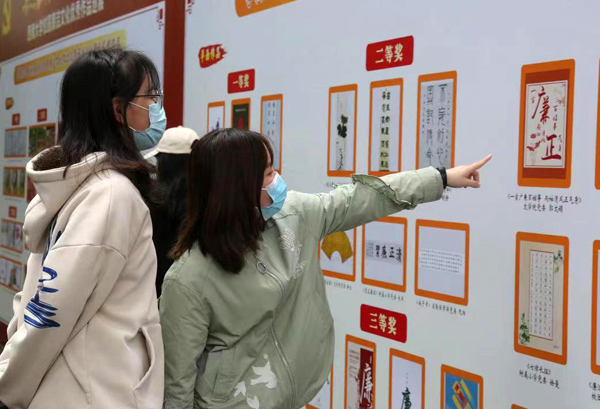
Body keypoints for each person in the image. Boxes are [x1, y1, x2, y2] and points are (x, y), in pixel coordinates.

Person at [160, 128, 491, 409]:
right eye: (268, 174)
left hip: (292, 397)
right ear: (237, 189)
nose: (277, 181)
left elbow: (360, 198)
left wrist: (440, 178)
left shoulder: (294, 215)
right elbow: (177, 387)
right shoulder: (187, 280)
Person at [0, 48, 167, 409]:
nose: (155, 107)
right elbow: (50, 310)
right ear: (118, 110)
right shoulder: (111, 195)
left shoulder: (81, 188)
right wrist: (8, 389)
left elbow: (34, 297)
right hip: (94, 394)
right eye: (149, 96)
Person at [145, 126, 199, 296]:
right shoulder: (206, 202)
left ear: (162, 163)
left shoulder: (148, 200)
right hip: (193, 291)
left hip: (152, 289)